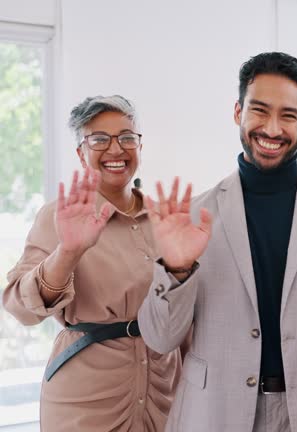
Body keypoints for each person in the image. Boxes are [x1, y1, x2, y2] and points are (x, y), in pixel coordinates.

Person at [137, 52, 297, 432]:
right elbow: (160, 339)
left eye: (288, 115)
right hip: (215, 412)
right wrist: (177, 269)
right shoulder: (196, 216)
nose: (272, 128)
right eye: (260, 110)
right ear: (238, 112)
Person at [3, 95, 182, 431]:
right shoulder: (59, 216)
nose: (116, 149)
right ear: (80, 153)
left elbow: (184, 312)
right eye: (99, 139)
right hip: (85, 397)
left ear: (139, 146)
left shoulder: (165, 218)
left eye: (127, 137)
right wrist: (68, 252)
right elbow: (20, 309)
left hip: (163, 390)